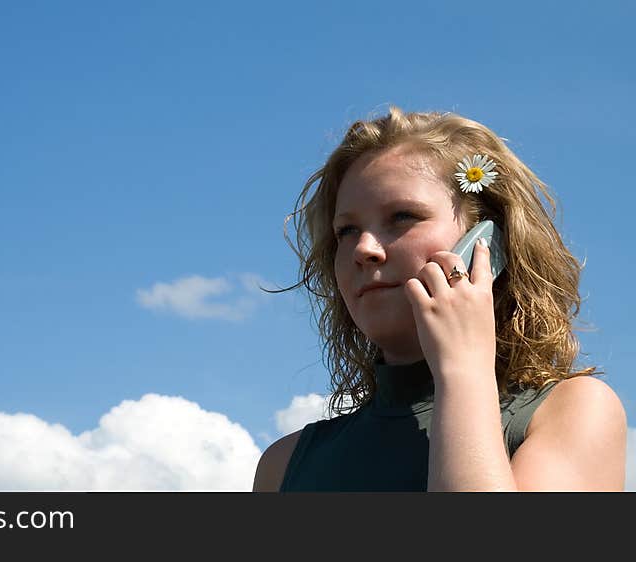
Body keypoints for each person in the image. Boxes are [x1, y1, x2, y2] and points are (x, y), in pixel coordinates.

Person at [252, 105, 627, 491]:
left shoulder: (572, 413)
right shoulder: (282, 465)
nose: (364, 248)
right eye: (346, 230)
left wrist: (462, 369)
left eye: (402, 216)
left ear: (488, 243)